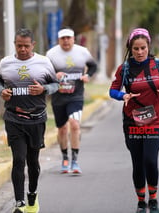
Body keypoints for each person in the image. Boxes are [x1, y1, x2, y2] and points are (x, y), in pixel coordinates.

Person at [109, 28, 159, 213]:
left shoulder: (158, 64)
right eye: (136, 49)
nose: (140, 52)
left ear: (149, 47)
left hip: (155, 119)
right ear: (130, 49)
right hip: (132, 121)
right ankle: (141, 201)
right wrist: (122, 96)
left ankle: (153, 200)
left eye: (143, 48)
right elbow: (112, 90)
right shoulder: (124, 68)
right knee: (138, 162)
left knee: (150, 160)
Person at [0, 28, 59, 213]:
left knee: (33, 162)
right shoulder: (6, 62)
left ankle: (32, 194)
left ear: (33, 45)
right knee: (18, 160)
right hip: (13, 118)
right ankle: (19, 204)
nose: (22, 49)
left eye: (26, 46)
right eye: (19, 45)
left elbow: (56, 84)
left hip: (36, 119)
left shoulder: (44, 62)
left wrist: (43, 89)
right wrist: (1, 91)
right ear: (15, 44)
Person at [46, 28, 97, 174]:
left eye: (69, 38)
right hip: (58, 97)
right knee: (62, 129)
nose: (66, 41)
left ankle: (75, 161)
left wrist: (88, 75)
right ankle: (65, 158)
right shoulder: (51, 54)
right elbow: (45, 73)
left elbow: (93, 66)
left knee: (74, 125)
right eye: (63, 38)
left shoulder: (82, 52)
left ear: (74, 39)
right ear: (58, 40)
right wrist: (55, 75)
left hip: (76, 95)